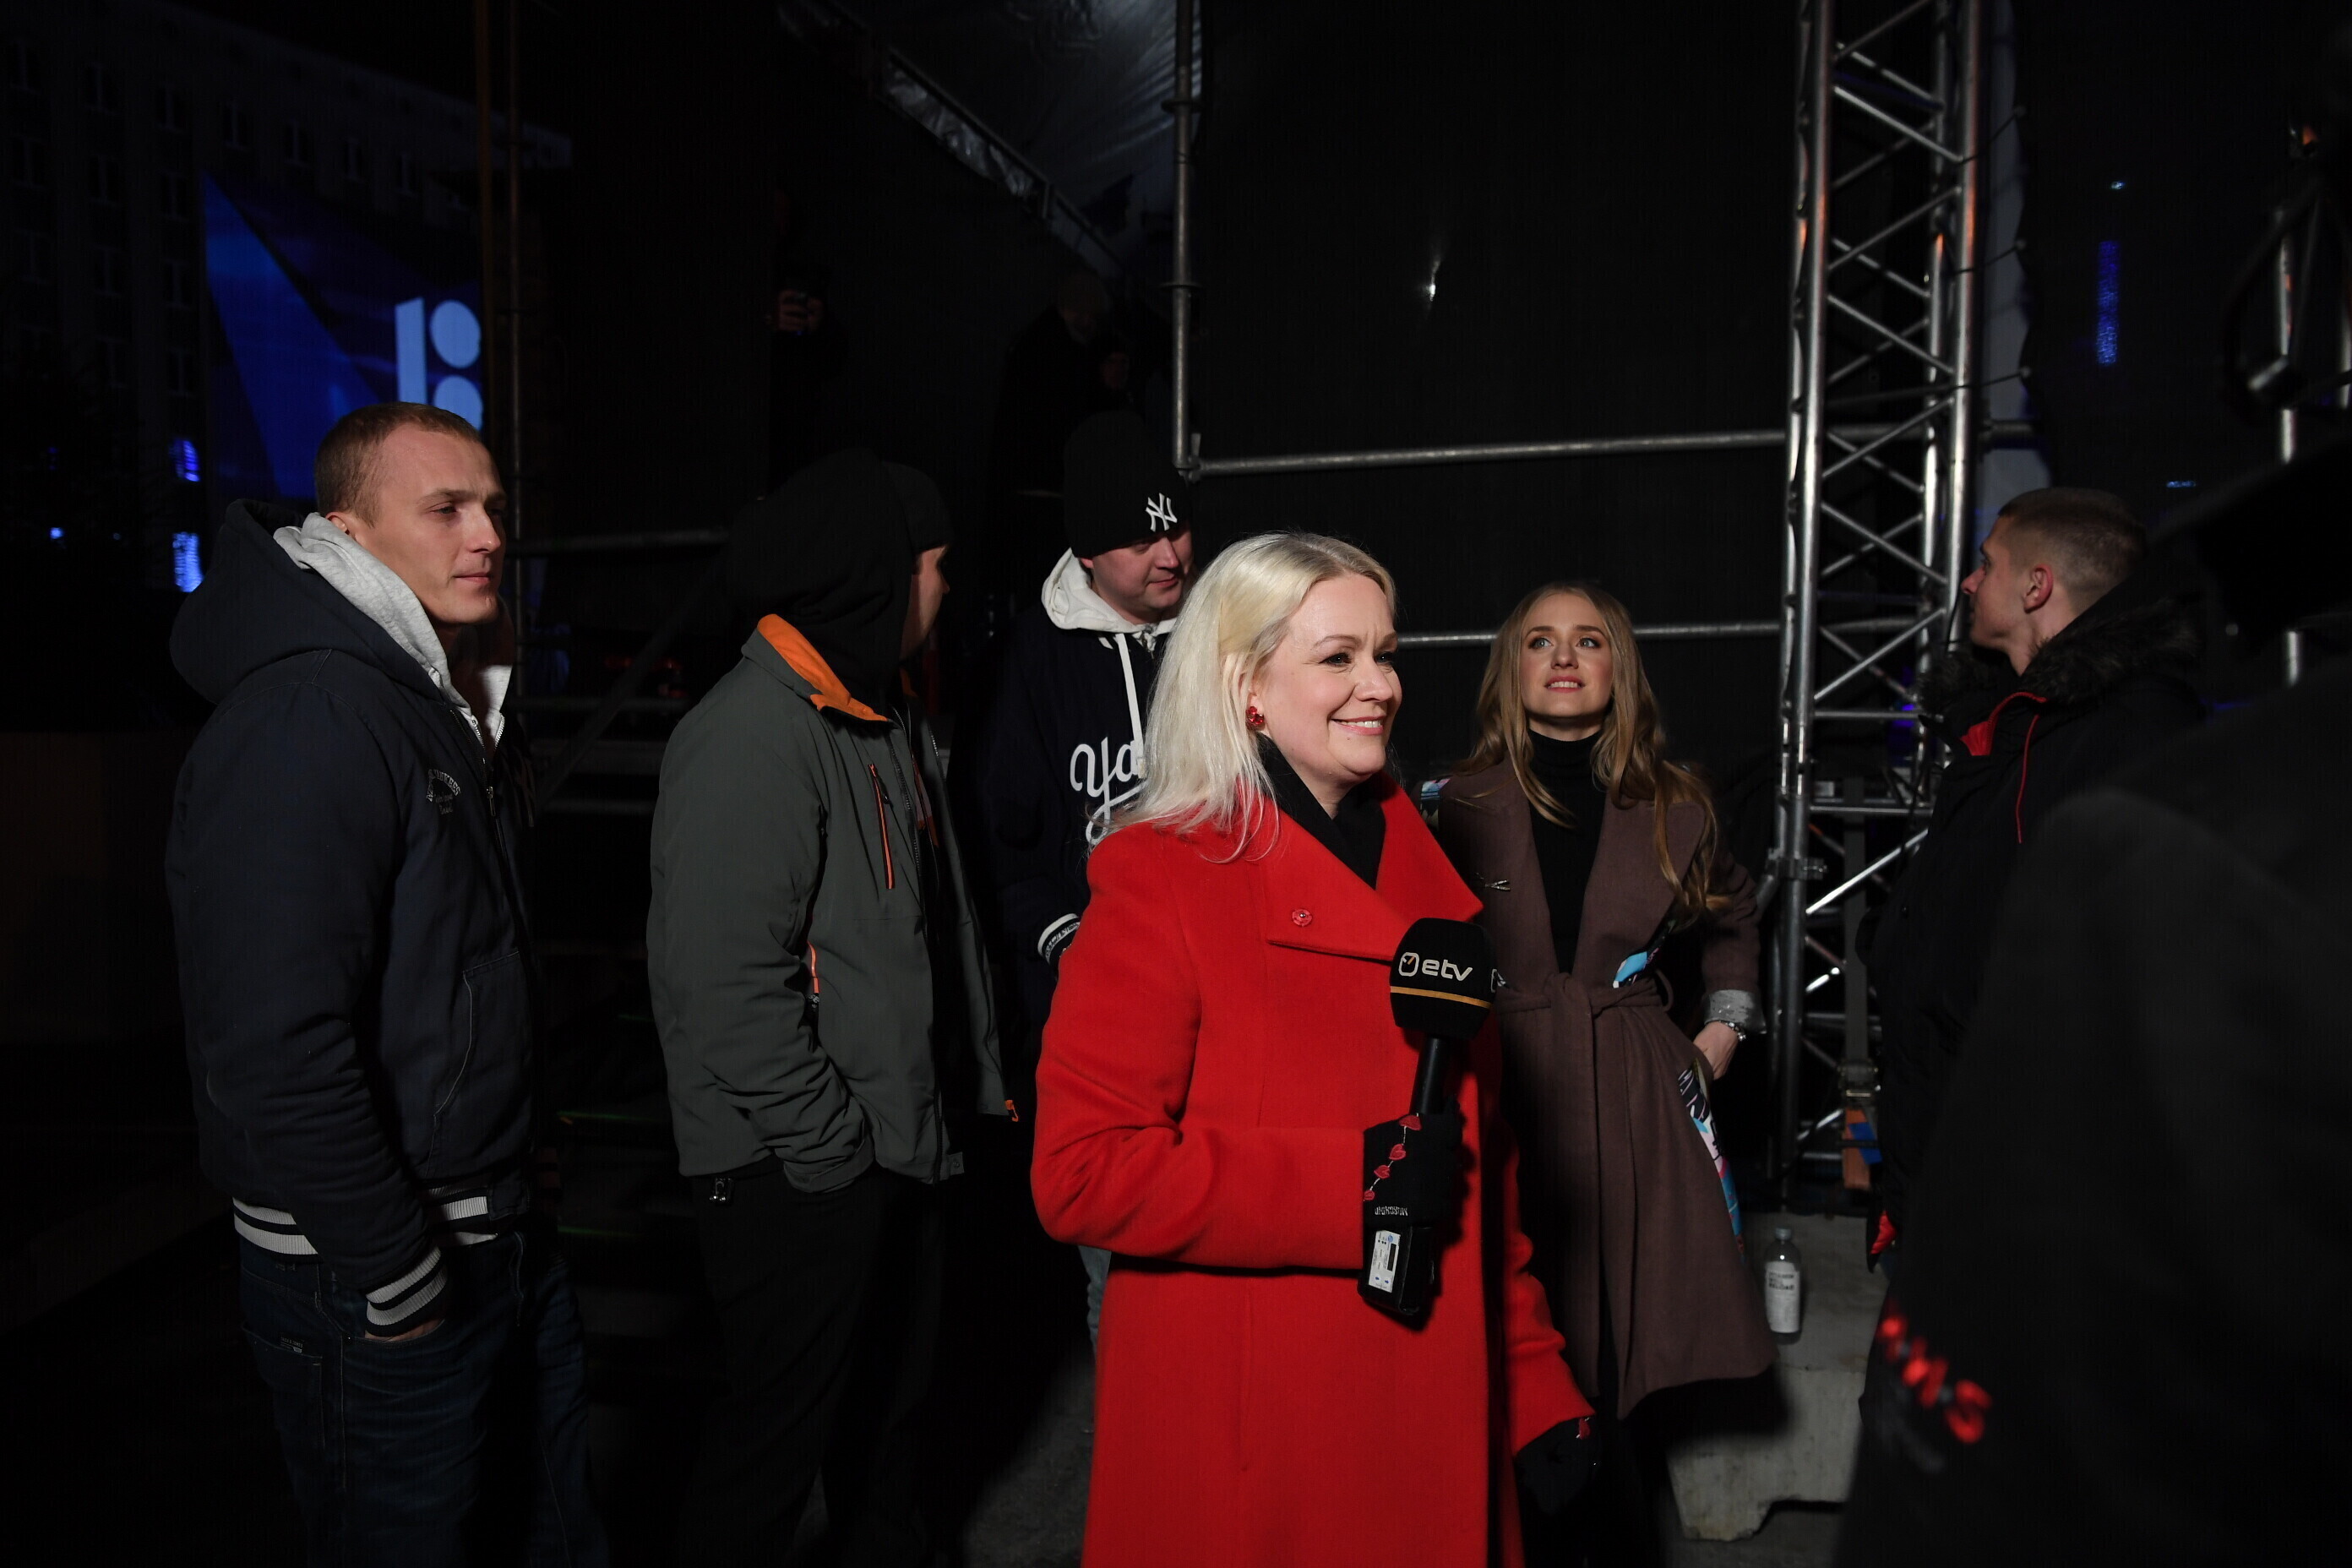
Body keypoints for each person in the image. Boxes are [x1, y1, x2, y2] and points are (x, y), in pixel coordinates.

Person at [1031, 532, 1595, 1567]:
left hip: (1431, 1407)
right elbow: (1082, 1171)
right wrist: (1354, 1187)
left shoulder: (1440, 891)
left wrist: (1534, 1381)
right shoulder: (1160, 875)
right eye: (1339, 657)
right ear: (1245, 686)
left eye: (1385, 653)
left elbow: (1483, 1170)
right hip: (1260, 1443)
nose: (1380, 685)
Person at [166, 402, 603, 1565]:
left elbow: (454, 968)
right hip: (378, 1280)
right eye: (446, 508)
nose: (488, 534)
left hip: (494, 1233)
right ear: (349, 532)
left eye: (493, 508)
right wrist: (396, 1272)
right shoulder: (314, 712)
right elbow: (274, 1047)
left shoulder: (434, 695)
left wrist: (514, 1148)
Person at [648, 448, 1003, 1567]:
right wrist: (831, 1150)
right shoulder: (750, 735)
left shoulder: (882, 713)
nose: (947, 587)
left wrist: (971, 1086)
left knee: (885, 1443)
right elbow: (724, 986)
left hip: (896, 1147)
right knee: (767, 1463)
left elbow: (937, 929)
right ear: (875, 575)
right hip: (799, 1172)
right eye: (934, 564)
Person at [1434, 580, 1772, 1565]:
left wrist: (1722, 1032)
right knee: (1503, 1333)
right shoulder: (1451, 802)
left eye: (1588, 640)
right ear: (1511, 666)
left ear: (1620, 665)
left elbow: (1734, 916)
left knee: (1614, 1355)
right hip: (1499, 1077)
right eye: (1540, 640)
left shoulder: (1677, 802)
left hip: (1628, 1091)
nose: (1564, 657)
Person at [1868, 488, 2200, 1262]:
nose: (1969, 583)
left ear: (2037, 586)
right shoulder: (2009, 722)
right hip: (1948, 1143)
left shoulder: (2134, 733)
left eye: (1987, 565)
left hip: (2038, 1183)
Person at [955, 409, 1195, 1337]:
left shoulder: (1219, 634)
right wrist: (1069, 940)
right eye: (1140, 538)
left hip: (1217, 1000)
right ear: (1088, 552)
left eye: (1177, 527)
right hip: (1095, 1017)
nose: (1169, 554)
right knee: (1122, 1272)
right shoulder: (1025, 662)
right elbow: (995, 844)